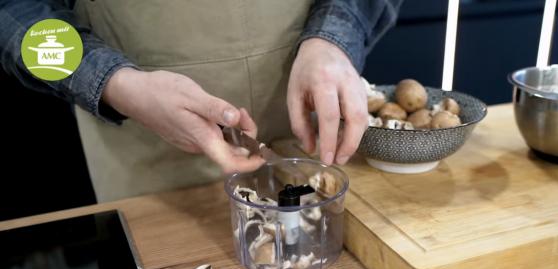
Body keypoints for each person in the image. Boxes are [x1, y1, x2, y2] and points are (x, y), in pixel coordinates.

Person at [0, 0, 403, 202]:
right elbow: (13, 13)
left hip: (312, 147)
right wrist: (114, 82)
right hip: (145, 168)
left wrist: (333, 38)